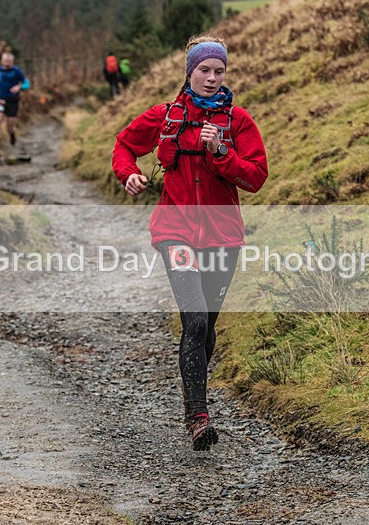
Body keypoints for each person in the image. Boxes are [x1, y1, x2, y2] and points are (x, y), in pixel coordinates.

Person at [112, 35, 268, 451]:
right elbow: (125, 143)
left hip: (223, 237)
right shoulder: (165, 118)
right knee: (195, 319)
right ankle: (198, 418)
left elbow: (254, 178)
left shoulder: (239, 122)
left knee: (207, 327)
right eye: (205, 70)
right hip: (174, 232)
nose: (213, 78)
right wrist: (127, 172)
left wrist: (221, 153)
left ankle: (193, 396)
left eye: (220, 71)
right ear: (190, 72)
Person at [0, 52, 26, 158]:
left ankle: (12, 134)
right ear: (2, 60)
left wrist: (19, 87)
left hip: (13, 100)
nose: (7, 62)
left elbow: (26, 83)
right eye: (5, 60)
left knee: (10, 127)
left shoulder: (17, 71)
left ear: (12, 61)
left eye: (9, 60)